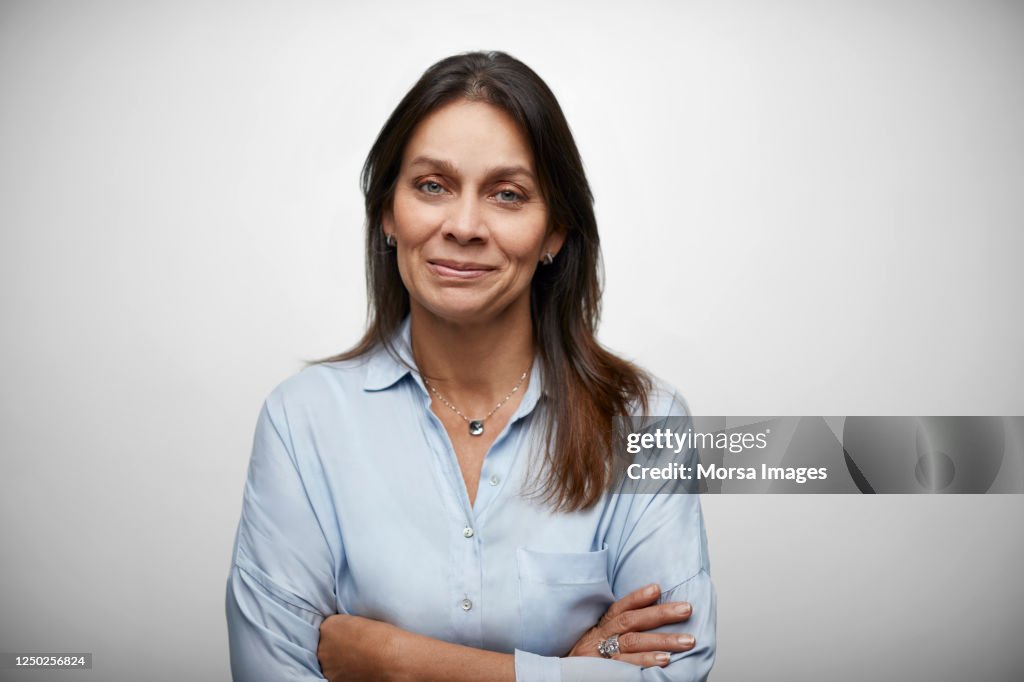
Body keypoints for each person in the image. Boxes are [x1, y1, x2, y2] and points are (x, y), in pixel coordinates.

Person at [225, 50, 716, 681]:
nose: (463, 225)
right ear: (387, 212)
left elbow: (673, 673)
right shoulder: (302, 420)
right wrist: (570, 670)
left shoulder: (647, 422)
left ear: (554, 233)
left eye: (507, 195)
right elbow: (272, 671)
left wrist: (400, 661)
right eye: (432, 186)